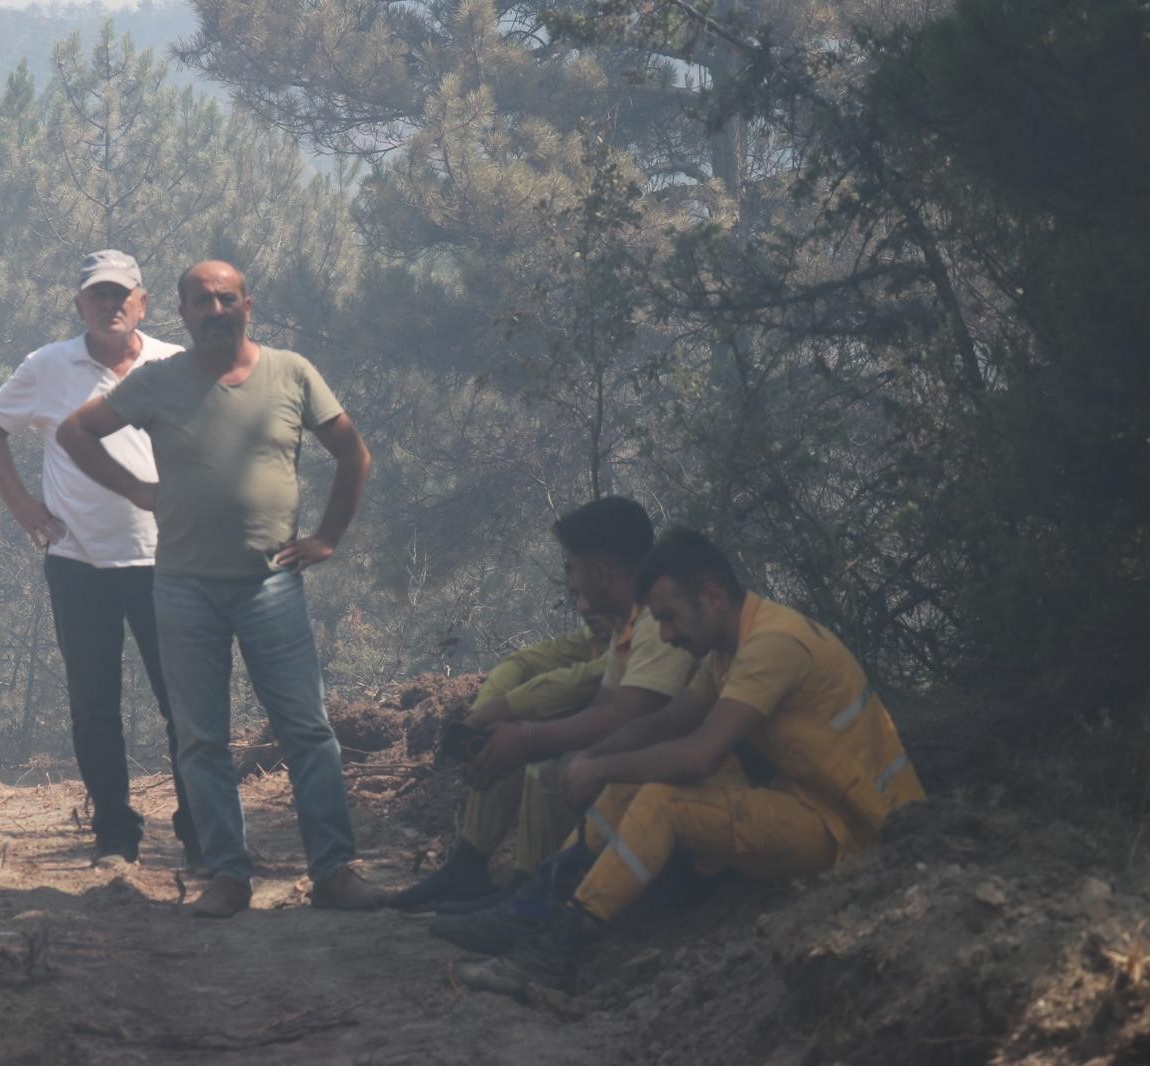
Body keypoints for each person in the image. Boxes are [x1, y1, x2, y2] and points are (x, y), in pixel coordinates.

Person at [450, 528, 926, 996]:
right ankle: (538, 903)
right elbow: (668, 721)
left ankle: (555, 952)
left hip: (857, 831)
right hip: (806, 805)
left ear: (713, 595)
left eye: (671, 618)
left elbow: (700, 757)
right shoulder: (728, 650)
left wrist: (598, 768)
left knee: (663, 800)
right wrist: (595, 757)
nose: (667, 634)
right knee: (635, 777)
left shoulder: (772, 645)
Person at [57, 259, 379, 917]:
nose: (215, 310)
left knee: (308, 731)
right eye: (201, 301)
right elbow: (75, 432)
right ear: (182, 312)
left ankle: (335, 872)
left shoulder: (291, 373)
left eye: (226, 298)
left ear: (247, 306)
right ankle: (228, 875)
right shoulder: (158, 382)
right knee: (200, 738)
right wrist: (137, 489)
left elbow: (353, 453)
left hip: (271, 584)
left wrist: (327, 539)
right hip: (181, 588)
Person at [0, 249, 197, 869]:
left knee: (184, 702)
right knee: (94, 703)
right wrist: (24, 508)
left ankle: (201, 833)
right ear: (79, 305)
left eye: (121, 294)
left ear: (143, 303)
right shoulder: (47, 366)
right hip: (79, 562)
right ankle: (115, 836)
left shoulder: (174, 363)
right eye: (98, 295)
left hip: (168, 560)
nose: (110, 305)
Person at [388, 497, 698, 912]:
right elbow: (604, 707)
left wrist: (530, 738)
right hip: (654, 753)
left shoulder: (656, 623)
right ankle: (512, 885)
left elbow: (627, 716)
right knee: (533, 751)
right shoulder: (630, 623)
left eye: (572, 566)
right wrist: (520, 737)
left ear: (602, 573)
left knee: (549, 766)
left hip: (681, 777)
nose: (570, 582)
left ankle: (537, 898)